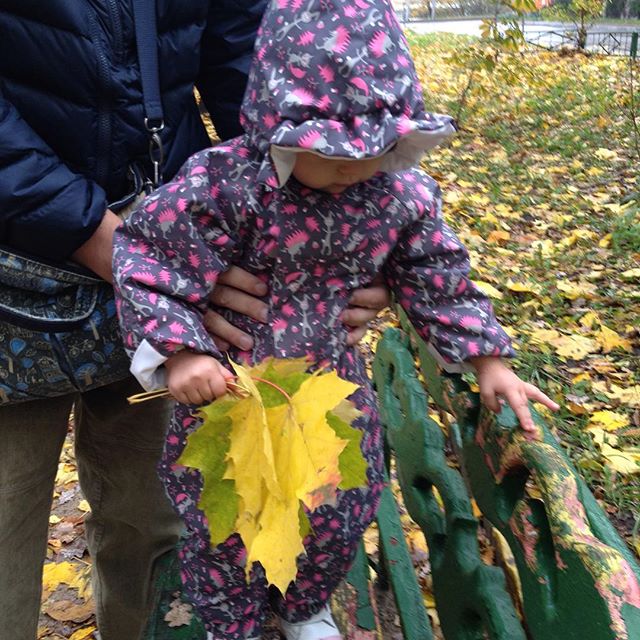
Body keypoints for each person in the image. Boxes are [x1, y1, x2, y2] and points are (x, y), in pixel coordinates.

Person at [112, 0, 560, 638]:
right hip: (233, 393)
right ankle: (228, 619)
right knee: (224, 516)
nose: (355, 168)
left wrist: (489, 359)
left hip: (332, 397)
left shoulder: (399, 195)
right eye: (334, 154)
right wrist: (182, 351)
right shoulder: (227, 186)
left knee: (337, 509)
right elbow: (151, 258)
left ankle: (303, 603)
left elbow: (438, 275)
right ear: (277, 126)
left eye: (374, 150)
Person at [0, 3, 388, 639]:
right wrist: (123, 248)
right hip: (29, 265)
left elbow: (252, 70)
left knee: (154, 522)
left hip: (179, 255)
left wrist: (332, 218)